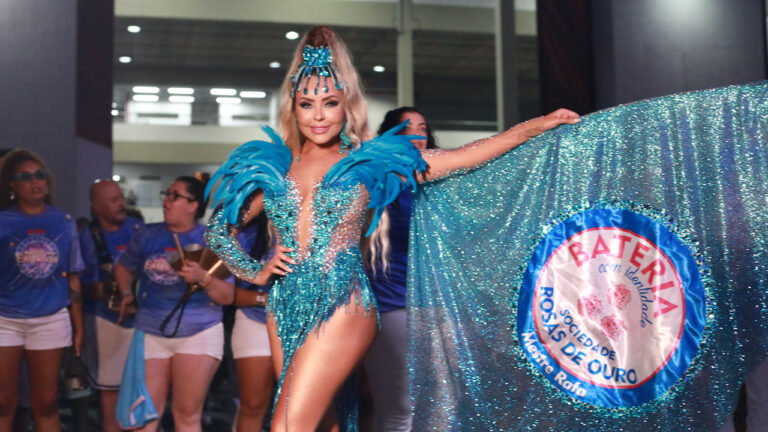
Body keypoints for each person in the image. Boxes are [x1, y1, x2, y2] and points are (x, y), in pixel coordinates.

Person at [204, 25, 579, 431]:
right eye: (306, 103)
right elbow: (218, 231)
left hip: (343, 302)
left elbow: (461, 157)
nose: (317, 115)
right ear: (293, 108)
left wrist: (532, 127)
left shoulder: (371, 161)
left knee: (287, 425)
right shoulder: (277, 167)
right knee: (321, 422)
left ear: (346, 106)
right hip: (284, 306)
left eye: (329, 103)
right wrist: (255, 271)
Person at [115, 176, 234, 431]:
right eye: (166, 194)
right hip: (150, 331)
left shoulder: (211, 239)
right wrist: (126, 292)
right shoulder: (147, 235)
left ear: (193, 205)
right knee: (145, 416)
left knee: (187, 415)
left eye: (175, 196)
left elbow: (228, 297)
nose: (166, 201)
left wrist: (204, 279)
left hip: (198, 331)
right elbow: (123, 267)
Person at [360, 106, 436, 432]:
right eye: (409, 129)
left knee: (429, 404)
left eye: (423, 127)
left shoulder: (436, 181)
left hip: (431, 305)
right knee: (398, 407)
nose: (418, 135)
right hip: (390, 303)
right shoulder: (381, 181)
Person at [0, 149, 85, 431]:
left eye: (40, 175)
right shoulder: (3, 221)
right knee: (3, 402)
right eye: (25, 177)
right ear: (11, 185)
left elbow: (72, 277)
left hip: (50, 318)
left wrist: (78, 325)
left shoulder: (63, 221)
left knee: (47, 402)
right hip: (5, 319)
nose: (35, 182)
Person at [79, 179, 144, 432]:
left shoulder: (138, 228)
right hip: (105, 318)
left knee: (143, 388)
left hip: (141, 319)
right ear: (97, 206)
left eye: (121, 198)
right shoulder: (87, 237)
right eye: (114, 200)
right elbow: (82, 285)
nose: (121, 204)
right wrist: (115, 287)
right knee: (110, 392)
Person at [231, 214, 274, 431]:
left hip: (304, 326)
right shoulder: (250, 236)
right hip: (254, 321)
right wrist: (263, 297)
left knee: (297, 405)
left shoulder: (315, 229)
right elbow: (226, 293)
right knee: (252, 404)